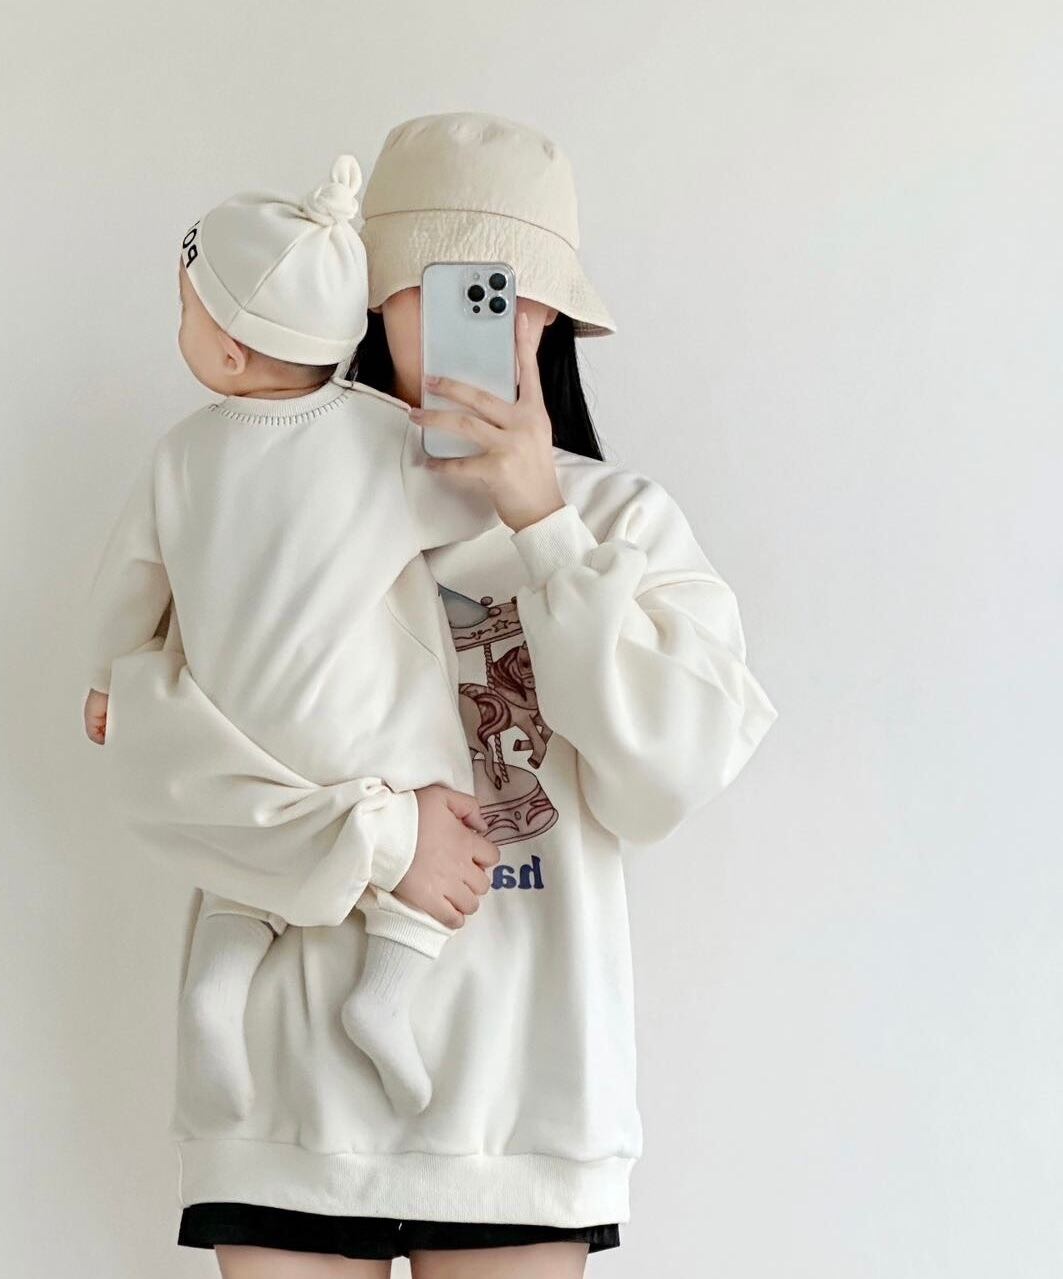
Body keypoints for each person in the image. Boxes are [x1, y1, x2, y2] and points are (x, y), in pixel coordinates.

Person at [95, 112, 779, 1277]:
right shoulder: (244, 490)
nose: (482, 320)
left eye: (507, 291)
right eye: (444, 284)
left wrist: (540, 520)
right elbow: (161, 765)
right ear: (373, 296)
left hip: (522, 1109)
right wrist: (386, 837)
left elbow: (663, 776)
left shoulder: (620, 522)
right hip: (285, 1096)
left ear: (551, 314)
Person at [80, 153, 505, 1121]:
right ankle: (386, 988)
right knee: (450, 801)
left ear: (230, 353)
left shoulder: (181, 453)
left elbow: (129, 583)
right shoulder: (382, 438)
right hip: (354, 739)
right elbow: (472, 513)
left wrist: (105, 679)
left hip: (235, 737)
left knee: (241, 865)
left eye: (184, 311)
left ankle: (215, 988)